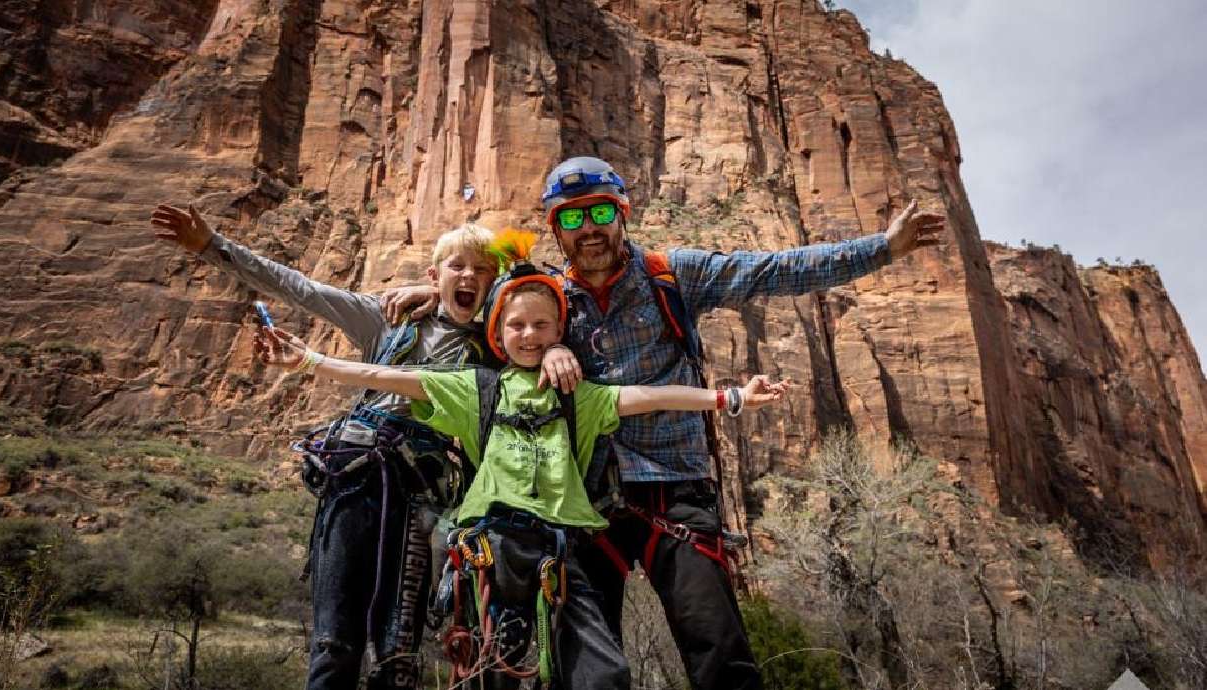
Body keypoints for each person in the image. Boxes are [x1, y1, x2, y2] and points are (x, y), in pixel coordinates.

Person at [381, 156, 945, 690]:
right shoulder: (552, 299)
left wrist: (883, 250)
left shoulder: (672, 276)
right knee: (584, 670)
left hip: (677, 493)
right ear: (557, 229)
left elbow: (775, 270)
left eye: (601, 211)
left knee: (719, 649)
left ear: (622, 212)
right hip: (586, 508)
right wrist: (434, 292)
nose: (589, 228)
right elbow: (493, 318)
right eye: (572, 218)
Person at [253, 229, 791, 690]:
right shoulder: (475, 389)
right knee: (494, 669)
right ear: (497, 333)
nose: (529, 335)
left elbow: (651, 395)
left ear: (562, 332)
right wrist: (312, 362)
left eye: (542, 327)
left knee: (603, 674)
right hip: (494, 548)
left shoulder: (580, 393)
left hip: (564, 548)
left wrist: (731, 397)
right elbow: (388, 377)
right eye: (516, 327)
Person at [150, 204, 523, 689]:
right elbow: (302, 289)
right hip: (353, 480)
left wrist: (438, 292)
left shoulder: (501, 343)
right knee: (334, 642)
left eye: (483, 269)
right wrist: (212, 246)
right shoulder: (386, 319)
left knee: (397, 650)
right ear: (435, 273)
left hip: (419, 499)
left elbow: (546, 296)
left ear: (495, 282)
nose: (469, 276)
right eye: (457, 267)